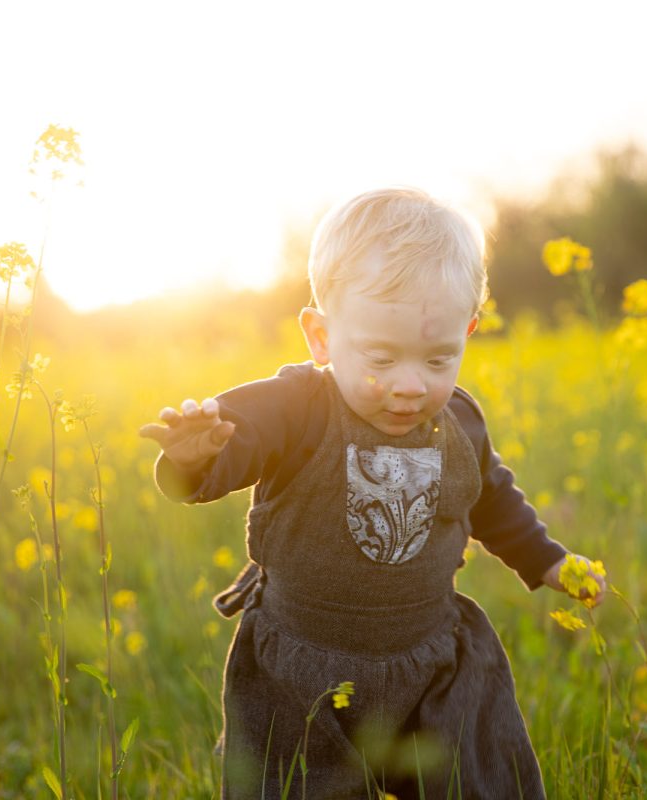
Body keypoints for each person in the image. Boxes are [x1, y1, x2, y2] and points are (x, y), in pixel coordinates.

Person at [139, 187, 606, 799]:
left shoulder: (460, 423)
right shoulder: (299, 406)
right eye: (381, 358)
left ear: (468, 331)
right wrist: (195, 456)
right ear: (322, 337)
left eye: (439, 360)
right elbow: (239, 438)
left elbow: (490, 498)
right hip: (301, 672)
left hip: (431, 665)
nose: (410, 385)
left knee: (480, 783)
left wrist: (547, 560)